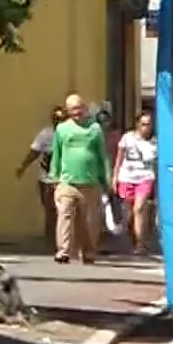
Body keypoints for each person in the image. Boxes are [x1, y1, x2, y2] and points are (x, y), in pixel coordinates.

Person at [49, 93, 111, 264]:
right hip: (67, 181)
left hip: (90, 182)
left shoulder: (94, 129)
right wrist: (54, 177)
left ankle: (89, 252)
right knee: (64, 215)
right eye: (73, 109)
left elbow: (102, 155)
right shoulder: (62, 129)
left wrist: (106, 178)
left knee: (90, 222)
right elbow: (57, 153)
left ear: (84, 108)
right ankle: (63, 251)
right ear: (68, 111)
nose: (77, 112)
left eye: (79, 108)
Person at [16, 105, 65, 248]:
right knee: (49, 209)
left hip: (65, 178)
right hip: (47, 178)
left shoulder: (69, 134)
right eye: (56, 119)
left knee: (63, 210)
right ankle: (51, 238)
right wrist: (23, 166)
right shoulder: (46, 134)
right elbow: (34, 152)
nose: (59, 122)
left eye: (61, 119)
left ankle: (62, 239)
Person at [115, 112, 159, 256]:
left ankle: (141, 244)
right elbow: (119, 159)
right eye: (143, 124)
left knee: (139, 208)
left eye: (149, 124)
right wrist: (114, 177)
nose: (146, 127)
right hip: (126, 177)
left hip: (145, 178)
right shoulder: (127, 138)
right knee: (128, 214)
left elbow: (158, 164)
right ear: (138, 125)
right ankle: (133, 238)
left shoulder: (156, 142)